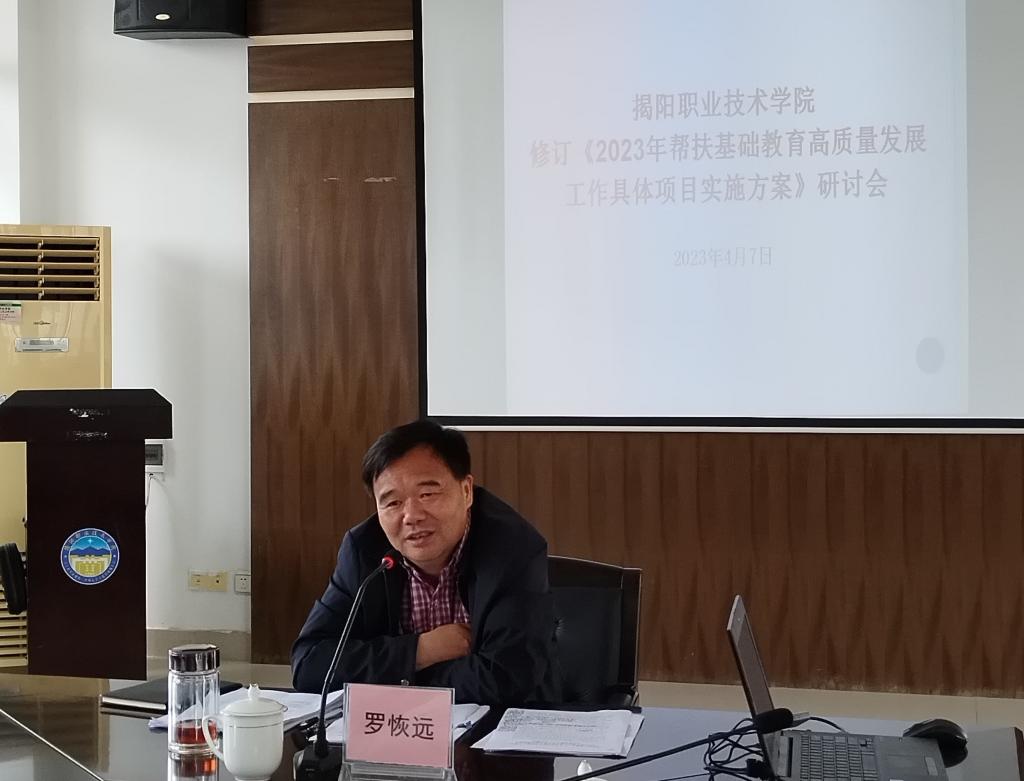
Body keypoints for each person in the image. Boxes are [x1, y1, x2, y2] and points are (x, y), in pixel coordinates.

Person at [291, 420, 562, 705]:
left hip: (504, 725)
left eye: (427, 494)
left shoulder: (512, 547)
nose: (411, 516)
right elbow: (309, 664)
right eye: (392, 503)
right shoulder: (364, 551)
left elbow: (507, 677)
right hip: (396, 727)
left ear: (466, 491)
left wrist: (398, 678)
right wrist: (421, 650)